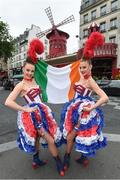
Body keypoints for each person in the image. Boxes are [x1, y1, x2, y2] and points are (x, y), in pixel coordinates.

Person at [5, 39, 64, 176]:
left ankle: (35, 160)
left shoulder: (35, 80)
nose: (30, 73)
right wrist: (25, 109)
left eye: (32, 71)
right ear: (23, 69)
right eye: (27, 70)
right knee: (49, 138)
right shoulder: (20, 85)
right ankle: (58, 163)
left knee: (38, 138)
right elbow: (8, 101)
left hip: (42, 112)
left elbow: (40, 95)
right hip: (33, 116)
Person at [60, 32, 109, 171]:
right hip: (74, 109)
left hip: (84, 113)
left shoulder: (90, 81)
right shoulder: (80, 77)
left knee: (74, 135)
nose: (82, 70)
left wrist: (92, 107)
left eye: (84, 67)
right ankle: (79, 158)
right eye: (80, 67)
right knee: (75, 135)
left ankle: (69, 158)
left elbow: (104, 97)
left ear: (90, 67)